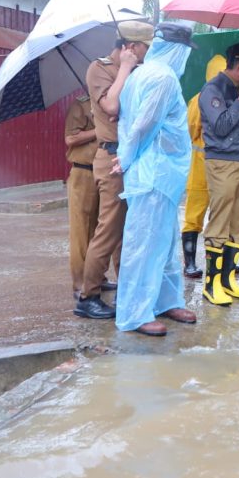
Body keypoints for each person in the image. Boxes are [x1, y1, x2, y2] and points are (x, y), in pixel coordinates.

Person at [114, 23, 199, 336]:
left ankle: (165, 300)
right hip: (154, 173)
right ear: (177, 50)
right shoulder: (162, 78)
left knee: (163, 242)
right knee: (145, 245)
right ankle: (134, 314)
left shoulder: (140, 74)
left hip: (160, 175)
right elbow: (142, 125)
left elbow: (128, 122)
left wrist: (127, 159)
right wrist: (125, 159)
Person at [76, 20, 152, 320]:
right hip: (112, 158)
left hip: (132, 158)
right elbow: (111, 106)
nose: (148, 53)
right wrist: (123, 69)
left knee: (127, 230)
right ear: (130, 47)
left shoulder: (140, 71)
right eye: (145, 47)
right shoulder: (99, 68)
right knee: (108, 230)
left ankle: (126, 288)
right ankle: (88, 295)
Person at [198, 40, 239, 305]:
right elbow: (222, 126)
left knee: (236, 222)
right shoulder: (212, 90)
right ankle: (211, 284)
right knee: (219, 223)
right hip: (221, 163)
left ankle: (228, 280)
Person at [180, 55, 227, 279]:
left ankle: (220, 262)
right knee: (195, 213)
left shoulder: (236, 99)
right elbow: (190, 129)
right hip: (200, 166)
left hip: (223, 167)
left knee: (222, 215)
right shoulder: (199, 100)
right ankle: (189, 262)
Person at [64, 93, 103, 300]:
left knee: (100, 229)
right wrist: (98, 131)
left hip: (103, 172)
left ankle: (98, 277)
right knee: (81, 232)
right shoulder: (80, 105)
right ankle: (79, 283)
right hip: (83, 172)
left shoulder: (108, 103)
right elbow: (70, 138)